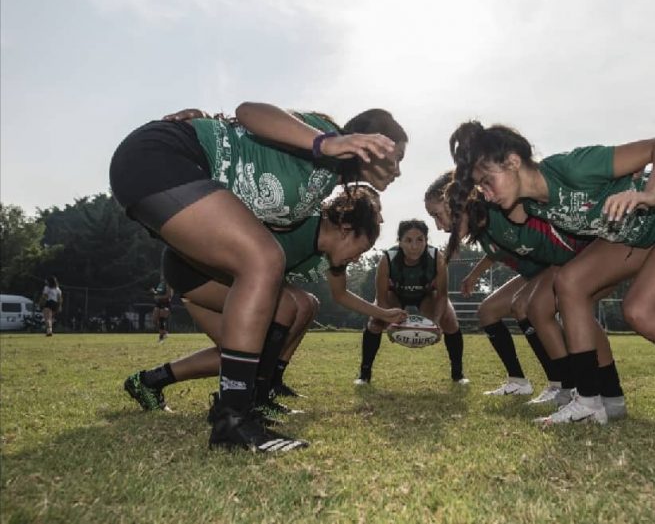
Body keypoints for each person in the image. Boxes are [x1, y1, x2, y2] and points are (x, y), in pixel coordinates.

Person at [110, 102, 406, 452]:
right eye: (396, 157)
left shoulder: (321, 186)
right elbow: (249, 111)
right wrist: (326, 142)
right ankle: (232, 419)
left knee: (266, 306)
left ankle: (241, 407)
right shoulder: (322, 138)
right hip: (160, 157)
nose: (399, 171)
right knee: (265, 261)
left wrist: (208, 122)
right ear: (369, 144)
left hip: (170, 172)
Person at [448, 121, 655, 437]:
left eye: (487, 182)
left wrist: (651, 193)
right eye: (482, 187)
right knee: (570, 281)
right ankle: (591, 402)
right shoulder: (527, 204)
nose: (486, 195)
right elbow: (496, 213)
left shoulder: (571, 168)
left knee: (641, 311)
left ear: (513, 161)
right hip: (641, 232)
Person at [124, 188, 406, 430]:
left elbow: (340, 293)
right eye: (362, 248)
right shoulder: (294, 220)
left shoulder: (328, 247)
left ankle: (149, 382)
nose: (358, 258)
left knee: (242, 352)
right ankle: (255, 398)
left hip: (221, 277)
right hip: (191, 268)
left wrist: (384, 314)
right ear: (346, 229)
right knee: (281, 308)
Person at [428, 172, 626, 419]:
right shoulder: (484, 226)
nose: (437, 225)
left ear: (455, 201)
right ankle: (578, 389)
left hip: (581, 255)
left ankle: (576, 388)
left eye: (437, 214)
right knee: (504, 309)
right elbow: (496, 250)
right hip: (558, 263)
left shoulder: (501, 209)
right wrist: (474, 275)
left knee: (535, 306)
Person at [356, 219, 468, 385]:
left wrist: (436, 324)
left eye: (419, 240)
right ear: (399, 242)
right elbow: (381, 298)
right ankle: (364, 375)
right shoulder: (388, 259)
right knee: (375, 322)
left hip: (426, 295)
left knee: (450, 322)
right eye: (408, 240)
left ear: (426, 240)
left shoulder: (437, 258)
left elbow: (443, 296)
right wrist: (389, 321)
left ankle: (458, 375)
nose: (414, 246)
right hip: (395, 295)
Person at [151, 276, 173, 342]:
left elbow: (169, 296)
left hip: (165, 304)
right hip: (158, 303)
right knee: (154, 320)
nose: (162, 276)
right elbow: (158, 293)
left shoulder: (169, 284)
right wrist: (154, 292)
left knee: (161, 320)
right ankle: (164, 332)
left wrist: (158, 297)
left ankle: (161, 338)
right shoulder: (161, 283)